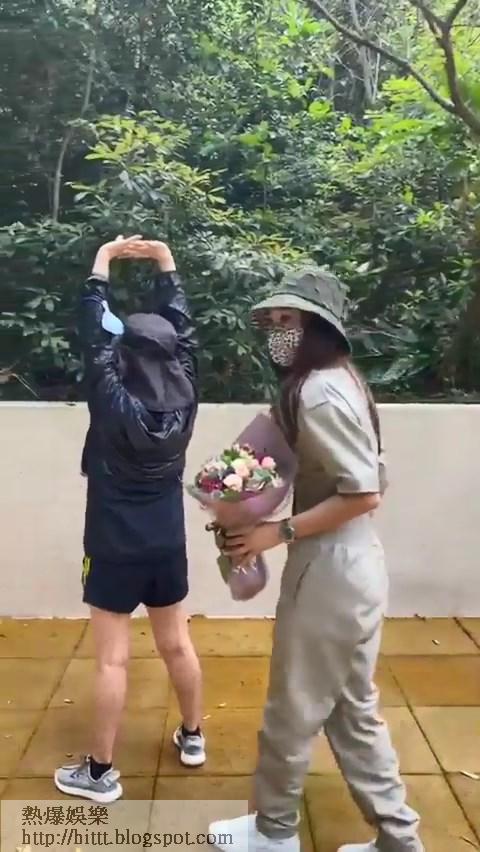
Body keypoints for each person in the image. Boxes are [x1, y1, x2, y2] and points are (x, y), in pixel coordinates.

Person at [210, 267, 423, 852]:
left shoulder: (318, 392)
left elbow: (363, 492)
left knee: (292, 708)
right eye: (274, 321)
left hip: (328, 571)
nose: (277, 331)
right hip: (352, 567)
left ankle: (274, 832)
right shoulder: (340, 381)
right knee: (353, 712)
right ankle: (399, 839)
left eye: (290, 320)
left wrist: (274, 531)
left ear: (319, 328)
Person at [54, 236, 205, 804]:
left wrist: (103, 262)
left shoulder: (111, 395)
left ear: (125, 353)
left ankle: (99, 773)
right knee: (177, 645)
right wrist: (166, 261)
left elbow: (93, 332)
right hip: (167, 540)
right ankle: (193, 736)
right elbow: (183, 333)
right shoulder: (186, 391)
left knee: (112, 659)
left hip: (114, 542)